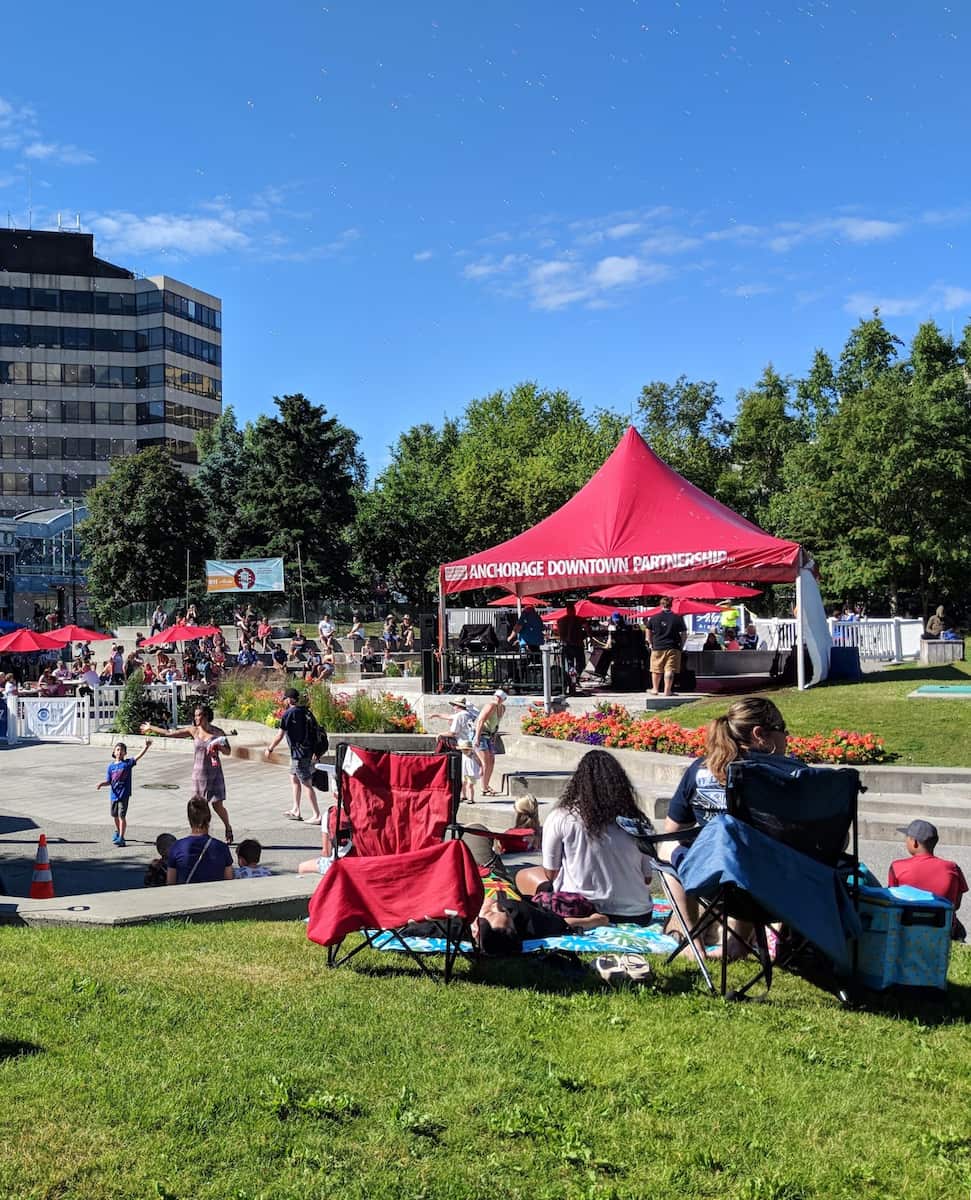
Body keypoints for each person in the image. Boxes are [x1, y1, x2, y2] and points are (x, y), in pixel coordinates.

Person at [662, 695, 797, 957]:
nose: (787, 735)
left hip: (713, 878)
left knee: (668, 847)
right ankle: (738, 944)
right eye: (782, 729)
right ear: (760, 735)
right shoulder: (793, 774)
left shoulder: (700, 770)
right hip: (783, 881)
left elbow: (672, 828)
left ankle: (693, 942)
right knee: (749, 854)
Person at [515, 749, 654, 923]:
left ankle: (586, 920)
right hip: (637, 913)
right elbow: (647, 877)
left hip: (578, 908)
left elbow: (551, 873)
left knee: (524, 876)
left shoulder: (562, 817)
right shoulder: (638, 821)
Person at [141, 705, 234, 843]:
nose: (197, 718)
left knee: (217, 805)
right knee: (198, 806)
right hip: (199, 773)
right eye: (195, 715)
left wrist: (218, 746)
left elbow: (228, 751)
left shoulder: (217, 732)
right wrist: (151, 727)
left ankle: (228, 827)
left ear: (206, 716)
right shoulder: (193, 731)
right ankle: (202, 833)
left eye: (200, 715)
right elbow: (169, 733)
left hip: (214, 772)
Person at [888, 819, 967, 940]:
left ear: (914, 843)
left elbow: (892, 902)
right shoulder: (953, 868)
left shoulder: (896, 867)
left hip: (907, 928)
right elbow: (955, 905)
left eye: (907, 838)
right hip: (943, 929)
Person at [264, 687, 323, 823]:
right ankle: (296, 809)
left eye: (285, 698)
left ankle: (317, 815)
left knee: (306, 783)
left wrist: (270, 749)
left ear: (289, 699)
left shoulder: (289, 714)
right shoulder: (305, 711)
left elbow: (280, 735)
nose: (283, 700)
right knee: (294, 778)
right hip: (305, 751)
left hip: (299, 754)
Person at [166, 796, 235, 884]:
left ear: (189, 819)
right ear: (209, 818)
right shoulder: (222, 848)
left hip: (186, 896)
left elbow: (170, 883)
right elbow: (228, 881)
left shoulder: (177, 847)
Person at [96, 739, 151, 847]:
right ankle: (118, 832)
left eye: (122, 750)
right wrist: (102, 784)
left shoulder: (127, 764)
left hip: (124, 795)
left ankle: (121, 838)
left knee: (122, 816)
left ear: (125, 753)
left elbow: (138, 757)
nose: (119, 752)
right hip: (114, 795)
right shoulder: (111, 767)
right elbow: (109, 781)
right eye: (117, 749)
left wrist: (146, 747)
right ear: (114, 752)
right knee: (114, 816)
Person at [646, 596, 687, 697]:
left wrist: (650, 643)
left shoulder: (654, 617)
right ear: (671, 605)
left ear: (661, 605)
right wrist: (681, 645)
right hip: (673, 646)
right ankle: (667, 691)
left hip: (657, 646)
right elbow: (684, 633)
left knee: (656, 669)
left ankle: (655, 689)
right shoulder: (678, 618)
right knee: (670, 670)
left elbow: (648, 631)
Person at [473, 688, 507, 797]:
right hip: (481, 734)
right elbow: (480, 721)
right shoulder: (490, 705)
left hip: (489, 736)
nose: (498, 699)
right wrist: (477, 738)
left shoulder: (502, 708)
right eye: (496, 696)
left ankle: (486, 785)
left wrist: (494, 736)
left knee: (491, 761)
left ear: (504, 699)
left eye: (500, 698)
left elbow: (496, 724)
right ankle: (484, 788)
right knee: (485, 761)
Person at [556, 601, 587, 694]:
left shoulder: (561, 620)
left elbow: (560, 634)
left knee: (570, 666)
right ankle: (574, 680)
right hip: (576, 645)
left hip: (568, 645)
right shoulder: (579, 619)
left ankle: (572, 682)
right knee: (579, 664)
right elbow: (587, 628)